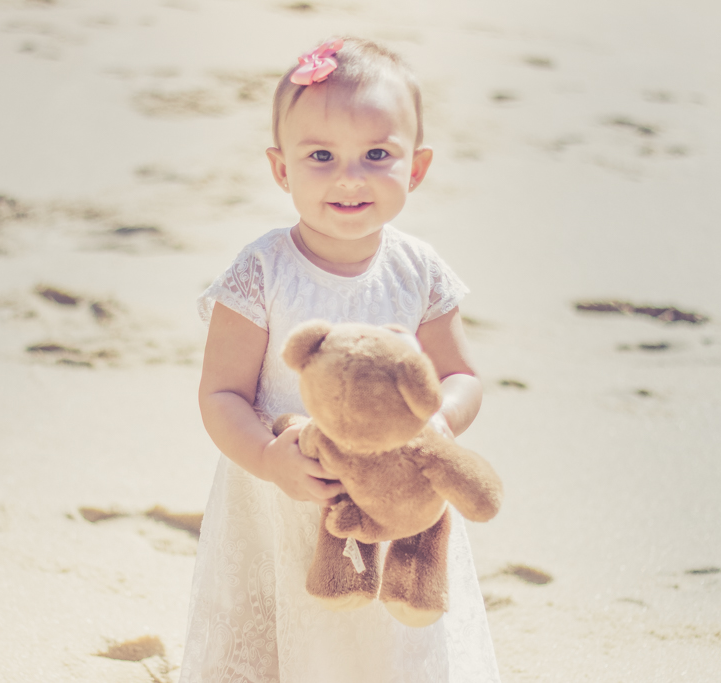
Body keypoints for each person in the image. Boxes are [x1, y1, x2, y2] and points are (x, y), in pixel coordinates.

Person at [180, 37, 500, 683]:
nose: (349, 176)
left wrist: (441, 423)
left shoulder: (418, 270)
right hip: (281, 498)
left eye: (377, 155)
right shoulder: (263, 271)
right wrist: (269, 459)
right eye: (320, 156)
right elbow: (221, 394)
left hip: (394, 493)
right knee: (280, 632)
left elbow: (460, 375)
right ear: (281, 169)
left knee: (390, 641)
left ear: (415, 167)